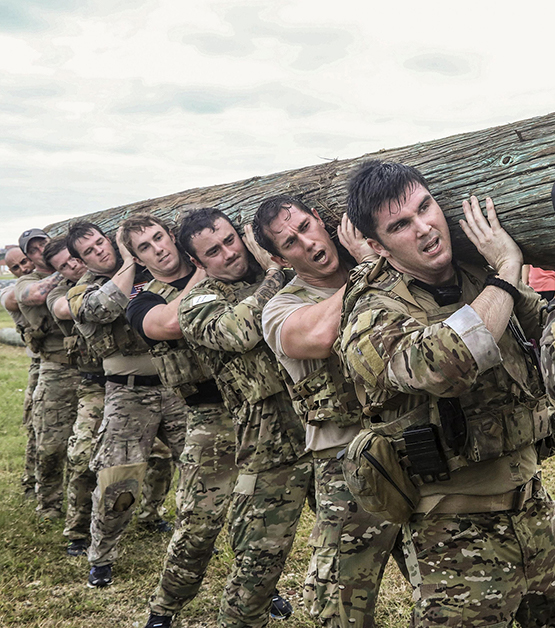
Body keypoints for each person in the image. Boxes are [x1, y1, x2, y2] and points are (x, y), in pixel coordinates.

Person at [339, 159, 555, 626]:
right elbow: (446, 364)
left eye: (425, 207)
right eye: (401, 225)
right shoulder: (369, 313)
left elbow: (543, 326)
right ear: (376, 246)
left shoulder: (476, 274)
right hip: (455, 535)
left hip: (535, 506)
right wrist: (508, 269)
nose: (423, 228)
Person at [253, 195, 404, 627]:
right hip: (348, 463)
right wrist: (366, 268)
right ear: (280, 257)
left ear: (321, 219)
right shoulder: (282, 306)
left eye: (305, 226)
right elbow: (320, 335)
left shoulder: (381, 267)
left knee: (448, 585)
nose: (307, 242)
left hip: (413, 442)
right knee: (338, 606)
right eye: (291, 241)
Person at [177, 208, 312, 628]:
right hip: (269, 441)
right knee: (259, 560)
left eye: (230, 240)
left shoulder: (285, 270)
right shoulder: (197, 302)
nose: (229, 253)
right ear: (199, 263)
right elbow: (238, 332)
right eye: (213, 251)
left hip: (325, 420)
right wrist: (275, 271)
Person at [117, 213, 238, 628]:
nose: (158, 250)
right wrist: (205, 274)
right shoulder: (142, 300)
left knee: (257, 510)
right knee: (199, 520)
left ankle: (259, 588)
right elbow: (170, 323)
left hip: (263, 403)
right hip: (210, 414)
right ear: (136, 258)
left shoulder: (221, 261)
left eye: (159, 238)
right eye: (145, 247)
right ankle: (163, 610)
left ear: (170, 236)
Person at [65, 221, 188, 588]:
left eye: (102, 243)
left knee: (200, 469)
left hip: (176, 388)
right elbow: (105, 308)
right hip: (127, 395)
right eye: (89, 251)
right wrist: (128, 260)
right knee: (118, 481)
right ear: (82, 260)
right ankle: (101, 556)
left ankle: (196, 537)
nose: (99, 251)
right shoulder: (83, 291)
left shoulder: (154, 274)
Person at [13, 228, 81, 520]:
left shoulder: (78, 270)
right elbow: (35, 295)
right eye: (34, 249)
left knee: (87, 445)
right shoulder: (28, 281)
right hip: (56, 368)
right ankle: (49, 504)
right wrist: (65, 270)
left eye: (44, 243)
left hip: (92, 367)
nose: (40, 249)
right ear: (29, 257)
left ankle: (84, 504)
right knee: (51, 443)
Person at [1, 247, 39, 498]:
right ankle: (31, 482)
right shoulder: (18, 287)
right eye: (16, 267)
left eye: (26, 261)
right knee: (37, 427)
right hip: (41, 363)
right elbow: (11, 298)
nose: (24, 268)